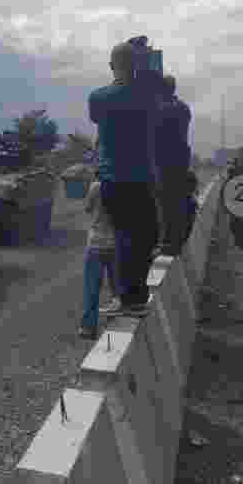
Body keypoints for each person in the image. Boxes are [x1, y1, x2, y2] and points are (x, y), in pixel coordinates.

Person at [88, 36, 163, 316]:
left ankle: (126, 299)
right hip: (141, 178)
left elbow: (97, 119)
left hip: (112, 178)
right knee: (143, 238)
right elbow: (154, 79)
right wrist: (141, 56)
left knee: (122, 237)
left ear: (111, 66)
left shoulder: (98, 98)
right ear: (135, 66)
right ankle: (135, 298)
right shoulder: (147, 96)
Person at [154, 74, 193, 256]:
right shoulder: (184, 108)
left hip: (164, 162)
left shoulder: (160, 109)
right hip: (180, 162)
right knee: (176, 203)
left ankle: (166, 241)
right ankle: (175, 241)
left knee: (163, 204)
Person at [79, 175, 118, 339]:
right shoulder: (126, 186)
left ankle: (89, 328)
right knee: (117, 290)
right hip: (116, 245)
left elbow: (87, 208)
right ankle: (116, 324)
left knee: (92, 289)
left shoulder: (96, 186)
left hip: (95, 244)